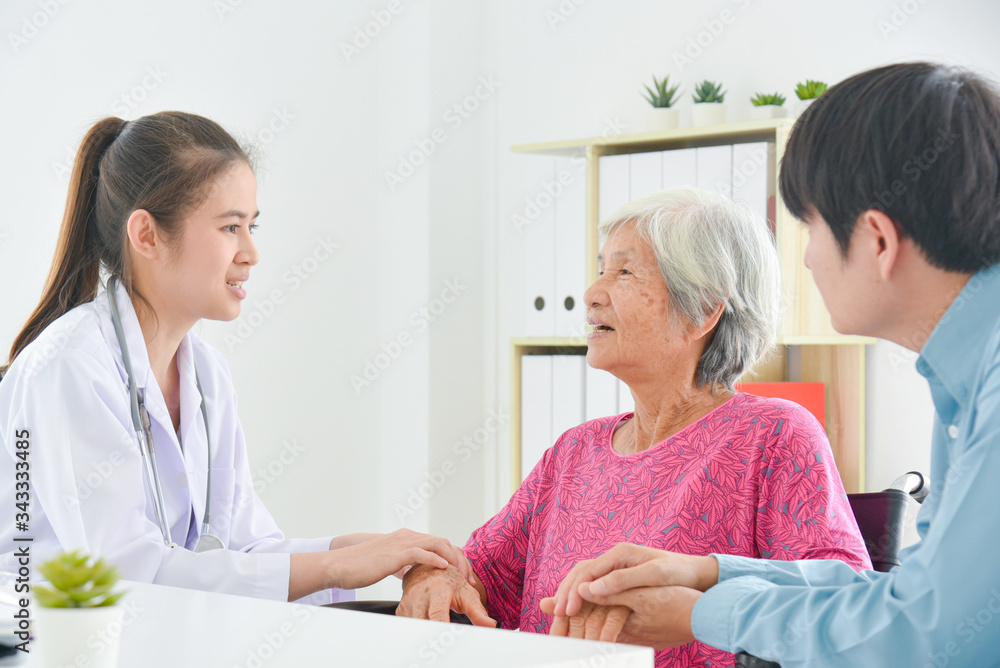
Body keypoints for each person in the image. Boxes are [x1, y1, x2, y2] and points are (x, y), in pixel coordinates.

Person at [544, 62, 1000, 667]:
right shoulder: (961, 387)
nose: (806, 261)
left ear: (877, 241)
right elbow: (907, 603)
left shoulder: (981, 389)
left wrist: (699, 613)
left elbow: (933, 638)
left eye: (809, 228)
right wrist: (709, 574)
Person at [0, 112, 468, 604]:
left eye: (252, 226)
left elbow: (247, 548)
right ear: (147, 235)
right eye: (230, 227)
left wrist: (377, 553)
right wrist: (335, 565)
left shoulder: (204, 375)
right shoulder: (70, 367)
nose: (251, 252)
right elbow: (124, 575)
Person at [397, 187, 871, 667]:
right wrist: (434, 579)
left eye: (624, 272)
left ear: (703, 309)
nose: (591, 294)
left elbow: (842, 602)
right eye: (601, 269)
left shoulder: (773, 436)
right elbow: (480, 574)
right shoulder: (575, 450)